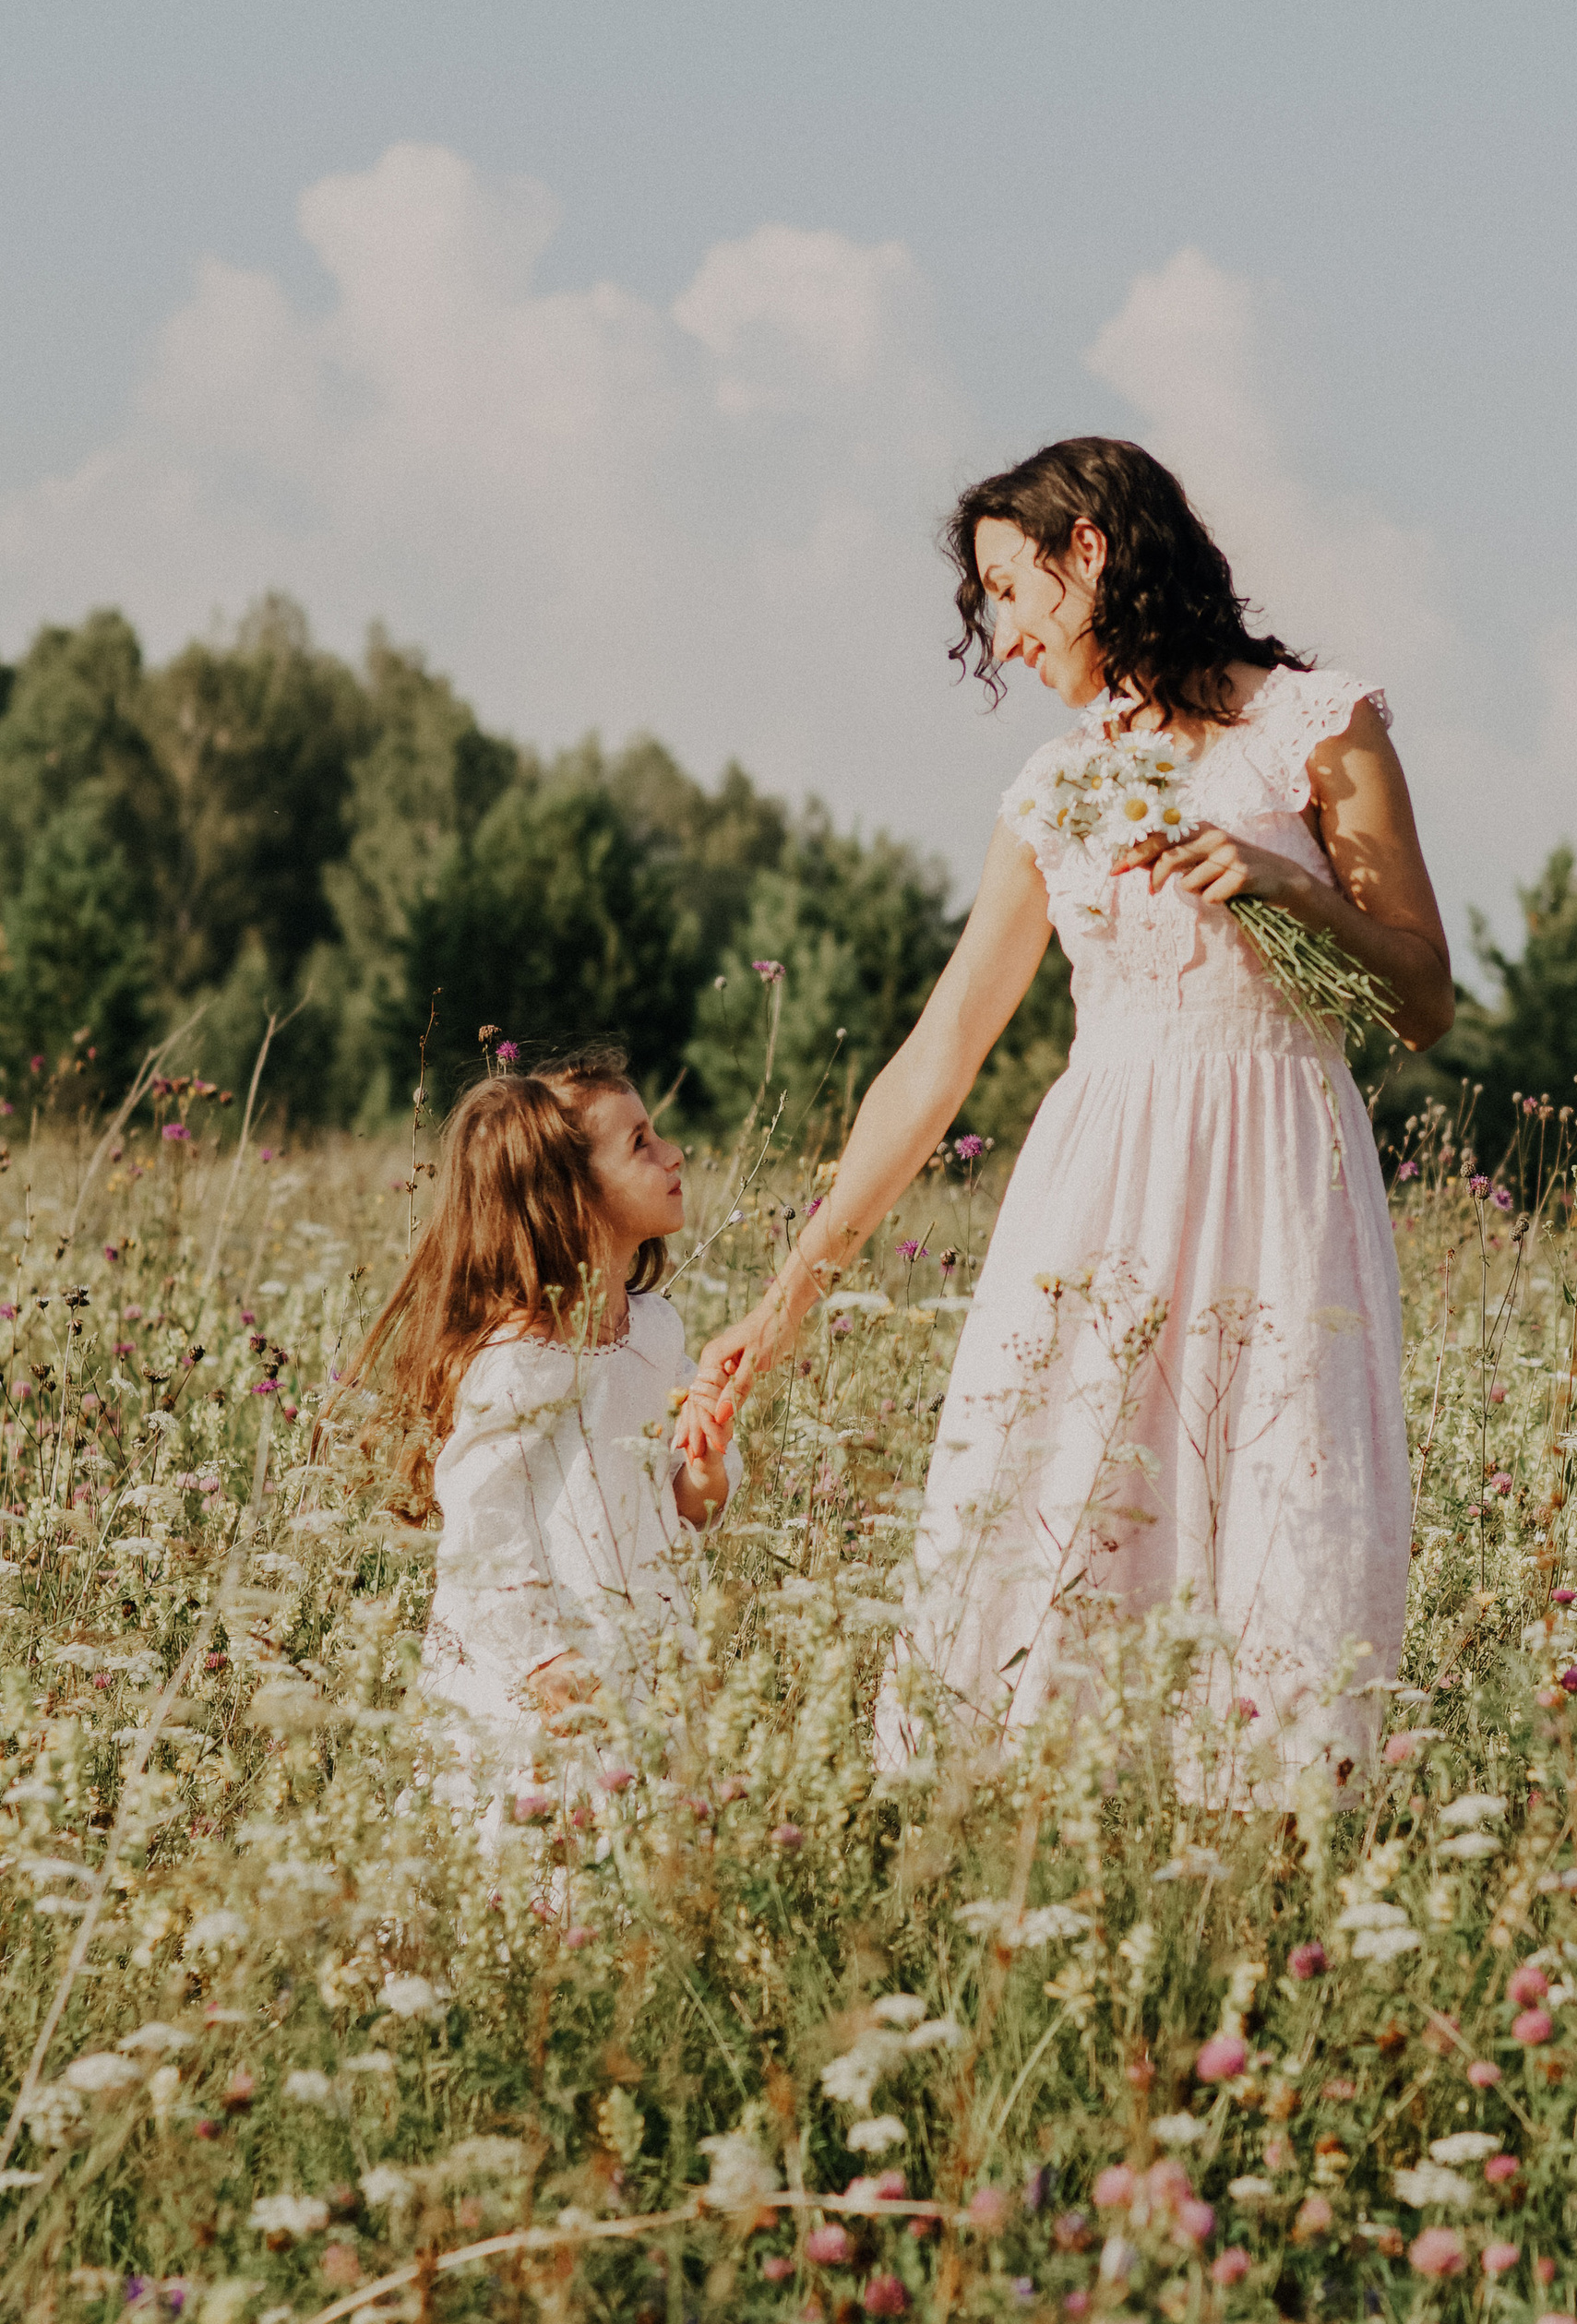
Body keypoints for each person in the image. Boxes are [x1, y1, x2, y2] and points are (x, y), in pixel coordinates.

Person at [690, 435, 1452, 1802]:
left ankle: (1267, 1877)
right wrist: (787, 1296)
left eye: (1011, 588)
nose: (1005, 632)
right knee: (1049, 1510)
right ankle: (1027, 1851)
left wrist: (1290, 898)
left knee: (1280, 1523)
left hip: (1279, 1180)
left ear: (1087, 551)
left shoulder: (1318, 727)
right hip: (1098, 1187)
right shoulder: (1058, 788)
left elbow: (1424, 999)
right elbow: (939, 1056)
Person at [342, 1049, 737, 1764]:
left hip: (640, 1648)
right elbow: (483, 1529)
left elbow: (690, 1506)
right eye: (640, 1143)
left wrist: (705, 1465)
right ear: (572, 1194)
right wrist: (545, 1664)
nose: (673, 1153)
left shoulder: (656, 1332)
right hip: (532, 1682)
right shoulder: (520, 1359)